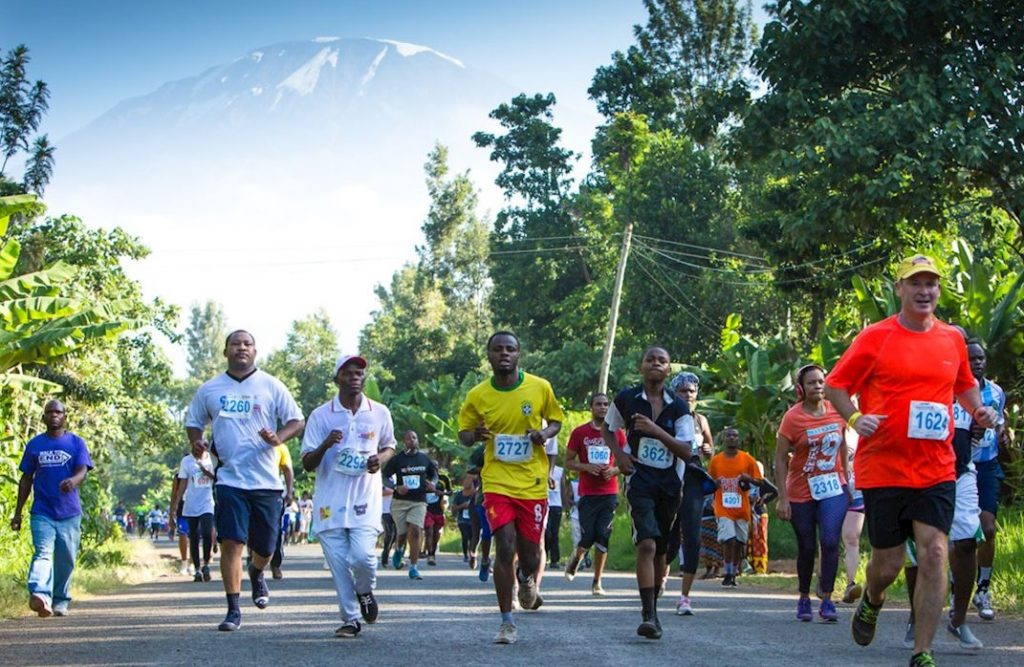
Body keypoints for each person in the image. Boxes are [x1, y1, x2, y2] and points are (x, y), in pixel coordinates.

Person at [824, 254, 996, 667]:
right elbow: (836, 386)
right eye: (915, 283)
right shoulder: (875, 337)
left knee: (936, 552)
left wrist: (979, 411)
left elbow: (965, 386)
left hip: (936, 466)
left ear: (939, 289)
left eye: (931, 284)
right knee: (888, 562)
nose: (924, 291)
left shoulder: (952, 338)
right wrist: (855, 417)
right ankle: (873, 596)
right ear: (899, 289)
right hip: (883, 467)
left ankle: (923, 652)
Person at [185, 329, 305, 632]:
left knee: (265, 548)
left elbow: (297, 419)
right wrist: (197, 442)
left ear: (255, 351)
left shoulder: (271, 385)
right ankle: (233, 609)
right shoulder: (210, 389)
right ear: (226, 351)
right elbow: (193, 423)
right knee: (231, 543)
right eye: (235, 344)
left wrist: (279, 437)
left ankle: (258, 572)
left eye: (247, 344)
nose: (242, 348)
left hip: (266, 481)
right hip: (229, 479)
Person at [458, 331, 564, 645]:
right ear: (489, 355)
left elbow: (556, 421)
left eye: (510, 349)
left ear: (519, 354)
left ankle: (526, 577)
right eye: (498, 349)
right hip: (497, 481)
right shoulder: (478, 394)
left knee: (530, 555)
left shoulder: (540, 387)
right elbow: (463, 434)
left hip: (531, 483)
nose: (504, 353)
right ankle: (506, 621)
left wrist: (544, 435)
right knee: (504, 545)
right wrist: (474, 435)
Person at [301, 354, 396, 638]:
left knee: (363, 558)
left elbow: (389, 446)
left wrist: (380, 458)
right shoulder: (321, 415)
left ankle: (365, 590)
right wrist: (325, 444)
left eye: (359, 373)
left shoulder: (378, 412)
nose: (355, 376)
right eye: (348, 372)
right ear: (337, 379)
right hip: (329, 503)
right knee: (340, 565)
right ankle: (350, 619)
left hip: (365, 501)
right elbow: (307, 462)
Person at [605, 346, 694, 640]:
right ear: (641, 366)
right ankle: (648, 615)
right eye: (650, 359)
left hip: (670, 485)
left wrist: (655, 431)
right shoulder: (627, 399)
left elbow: (685, 450)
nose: (656, 363)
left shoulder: (680, 407)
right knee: (646, 544)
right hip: (640, 480)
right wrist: (619, 455)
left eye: (662, 360)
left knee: (662, 550)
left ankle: (653, 609)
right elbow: (608, 428)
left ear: (668, 369)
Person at [774, 364, 850, 622]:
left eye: (821, 381)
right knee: (807, 546)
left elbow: (843, 448)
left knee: (829, 541)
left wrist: (848, 481)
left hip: (833, 486)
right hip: (801, 490)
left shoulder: (838, 411)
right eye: (811, 383)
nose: (817, 386)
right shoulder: (792, 418)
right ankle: (804, 596)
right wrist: (783, 498)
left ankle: (827, 598)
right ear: (801, 389)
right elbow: (781, 460)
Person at [10, 400, 93, 618]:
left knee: (67, 558)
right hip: (42, 511)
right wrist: (18, 512)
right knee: (43, 553)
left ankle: (60, 600)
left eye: (58, 412)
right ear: (44, 417)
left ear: (65, 416)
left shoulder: (75, 443)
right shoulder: (35, 445)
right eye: (50, 412)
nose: (54, 415)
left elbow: (83, 470)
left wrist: (74, 481)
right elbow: (26, 479)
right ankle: (40, 594)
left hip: (69, 512)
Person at [564, 392, 624, 596]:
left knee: (603, 536)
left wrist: (614, 470)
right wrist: (586, 467)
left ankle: (597, 581)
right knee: (588, 535)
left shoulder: (618, 433)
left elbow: (628, 460)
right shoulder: (580, 433)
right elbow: (568, 461)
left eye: (606, 404)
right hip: (588, 493)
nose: (603, 408)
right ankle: (576, 558)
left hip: (609, 492)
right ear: (591, 407)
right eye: (598, 404)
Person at [665, 374, 716, 615]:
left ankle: (685, 597)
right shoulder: (666, 415)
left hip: (693, 479)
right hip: (669, 478)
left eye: (692, 391)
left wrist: (708, 450)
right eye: (683, 390)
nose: (688, 394)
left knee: (692, 537)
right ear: (675, 393)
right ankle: (660, 576)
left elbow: (710, 449)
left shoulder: (701, 420)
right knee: (668, 535)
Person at [966, 340, 1006, 622]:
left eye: (981, 358)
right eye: (972, 359)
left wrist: (1002, 432)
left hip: (988, 466)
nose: (978, 363)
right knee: (962, 535)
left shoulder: (996, 392)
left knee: (988, 528)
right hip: (960, 465)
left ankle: (983, 589)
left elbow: (999, 420)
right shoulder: (955, 392)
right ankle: (958, 586)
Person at [708, 427, 763, 587]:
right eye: (729, 435)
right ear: (724, 439)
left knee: (739, 542)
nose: (732, 438)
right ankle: (727, 571)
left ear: (738, 439)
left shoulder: (747, 459)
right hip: (723, 507)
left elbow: (759, 481)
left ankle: (733, 572)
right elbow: (708, 482)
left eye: (735, 435)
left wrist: (749, 479)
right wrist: (714, 484)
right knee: (729, 539)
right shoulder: (716, 461)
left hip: (742, 508)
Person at [382, 430, 436, 580]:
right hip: (400, 501)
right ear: (404, 441)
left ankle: (414, 567)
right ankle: (399, 549)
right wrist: (395, 487)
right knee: (402, 534)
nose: (412, 440)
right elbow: (385, 476)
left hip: (419, 501)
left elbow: (434, 475)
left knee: (416, 531)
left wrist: (432, 484)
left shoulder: (424, 459)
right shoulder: (397, 460)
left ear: (417, 440)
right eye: (408, 438)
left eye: (414, 437)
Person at [170, 441, 217, 582]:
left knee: (207, 532)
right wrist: (176, 503)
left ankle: (207, 564)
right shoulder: (186, 461)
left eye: (201, 448)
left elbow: (218, 477)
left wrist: (205, 470)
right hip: (191, 504)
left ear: (205, 447)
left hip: (207, 502)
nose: (197, 451)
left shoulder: (212, 459)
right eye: (195, 448)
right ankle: (197, 569)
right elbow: (182, 483)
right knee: (194, 537)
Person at [840, 428, 866, 603]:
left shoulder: (865, 428)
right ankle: (823, 580)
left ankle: (850, 584)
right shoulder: (830, 421)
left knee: (852, 537)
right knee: (828, 538)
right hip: (833, 488)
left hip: (857, 490)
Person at [269, 444, 295, 579]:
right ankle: (254, 563)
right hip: (250, 492)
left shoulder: (280, 447)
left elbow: (287, 470)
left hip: (274, 494)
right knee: (253, 530)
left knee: (276, 531)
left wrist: (290, 492)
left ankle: (276, 564)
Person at [424, 469, 450, 566]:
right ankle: (429, 554)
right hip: (426, 509)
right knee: (429, 532)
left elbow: (450, 492)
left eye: (435, 467)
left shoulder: (443, 479)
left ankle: (433, 553)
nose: (433, 468)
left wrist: (441, 493)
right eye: (431, 466)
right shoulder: (423, 478)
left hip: (439, 510)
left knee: (436, 533)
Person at [544, 463, 565, 569]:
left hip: (556, 505)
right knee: (546, 532)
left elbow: (563, 488)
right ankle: (543, 555)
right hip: (545, 503)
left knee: (554, 533)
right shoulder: (541, 466)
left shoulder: (560, 471)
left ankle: (554, 559)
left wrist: (565, 505)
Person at [452, 475, 475, 564]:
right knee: (465, 536)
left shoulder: (476, 494)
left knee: (473, 537)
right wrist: (463, 506)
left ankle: (472, 553)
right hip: (463, 519)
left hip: (473, 520)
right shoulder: (459, 495)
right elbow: (453, 508)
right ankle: (465, 554)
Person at [379, 479, 397, 567]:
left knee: (398, 535)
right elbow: (379, 491)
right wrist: (396, 491)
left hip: (397, 510)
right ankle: (385, 555)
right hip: (385, 510)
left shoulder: (397, 475)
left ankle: (398, 558)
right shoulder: (382, 476)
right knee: (389, 534)